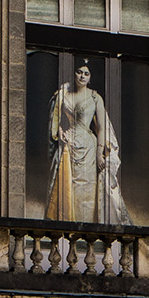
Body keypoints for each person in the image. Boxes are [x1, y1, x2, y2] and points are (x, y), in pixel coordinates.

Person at [46, 61, 132, 225]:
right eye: (79, 72)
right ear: (74, 74)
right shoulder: (64, 95)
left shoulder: (95, 97)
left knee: (88, 190)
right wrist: (60, 132)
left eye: (86, 73)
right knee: (69, 188)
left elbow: (101, 128)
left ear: (90, 77)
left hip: (89, 147)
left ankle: (89, 230)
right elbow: (57, 121)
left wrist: (100, 153)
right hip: (68, 146)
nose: (82, 76)